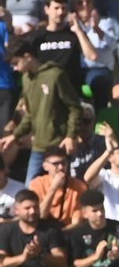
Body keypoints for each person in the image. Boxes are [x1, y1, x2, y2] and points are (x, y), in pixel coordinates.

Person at [3, 39, 83, 183]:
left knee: (63, 185)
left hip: (59, 144)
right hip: (38, 145)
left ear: (27, 57)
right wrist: (14, 136)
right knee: (30, 188)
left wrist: (71, 135)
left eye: (16, 63)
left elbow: (74, 107)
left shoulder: (55, 75)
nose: (14, 68)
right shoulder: (26, 79)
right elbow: (30, 114)